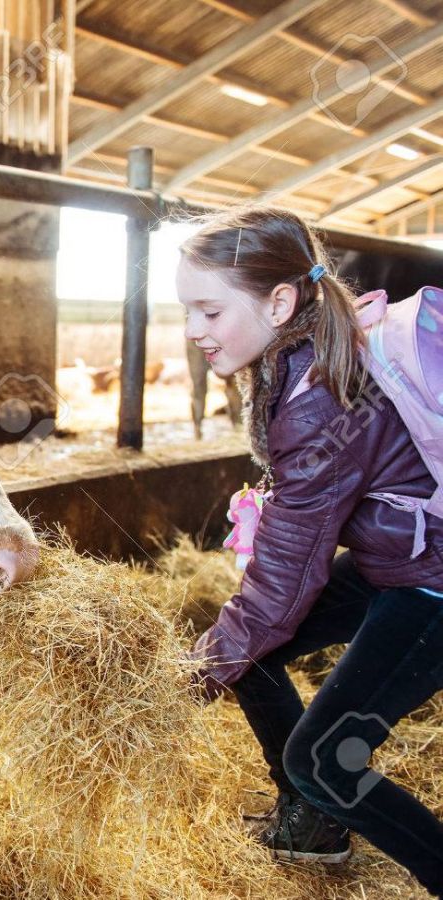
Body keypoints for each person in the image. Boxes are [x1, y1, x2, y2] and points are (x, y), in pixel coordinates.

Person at [178, 206, 443, 895]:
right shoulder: (296, 360)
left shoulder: (318, 397)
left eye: (209, 311)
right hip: (404, 556)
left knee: (325, 759)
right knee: (250, 651)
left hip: (433, 581)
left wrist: (186, 681)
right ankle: (315, 826)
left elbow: (281, 588)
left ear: (281, 301)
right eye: (187, 311)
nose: (191, 331)